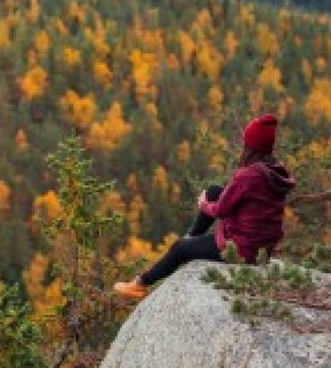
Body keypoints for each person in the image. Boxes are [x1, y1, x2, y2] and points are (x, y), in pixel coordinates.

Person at [113, 114, 296, 299]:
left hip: (242, 249)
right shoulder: (274, 170)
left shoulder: (248, 175)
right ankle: (192, 239)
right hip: (262, 247)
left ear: (250, 146)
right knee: (215, 191)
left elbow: (220, 210)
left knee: (179, 248)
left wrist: (203, 204)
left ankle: (140, 284)